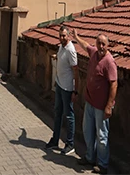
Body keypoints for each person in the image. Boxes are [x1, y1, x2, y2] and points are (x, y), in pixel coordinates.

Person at [73, 30, 117, 175]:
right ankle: (90, 157)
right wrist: (77, 37)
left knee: (102, 135)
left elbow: (113, 84)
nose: (101, 46)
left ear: (108, 45)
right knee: (87, 130)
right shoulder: (94, 53)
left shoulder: (109, 62)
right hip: (90, 101)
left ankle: (103, 165)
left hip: (101, 106)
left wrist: (109, 106)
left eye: (104, 44)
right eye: (99, 43)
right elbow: (86, 46)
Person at [46, 26, 79, 155]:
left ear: (69, 36)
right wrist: (56, 57)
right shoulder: (61, 47)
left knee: (69, 115)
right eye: (60, 35)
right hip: (60, 85)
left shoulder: (71, 50)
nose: (62, 38)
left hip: (67, 88)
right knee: (57, 112)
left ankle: (70, 144)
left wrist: (75, 91)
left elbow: (75, 71)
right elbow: (62, 59)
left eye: (64, 36)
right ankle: (55, 140)